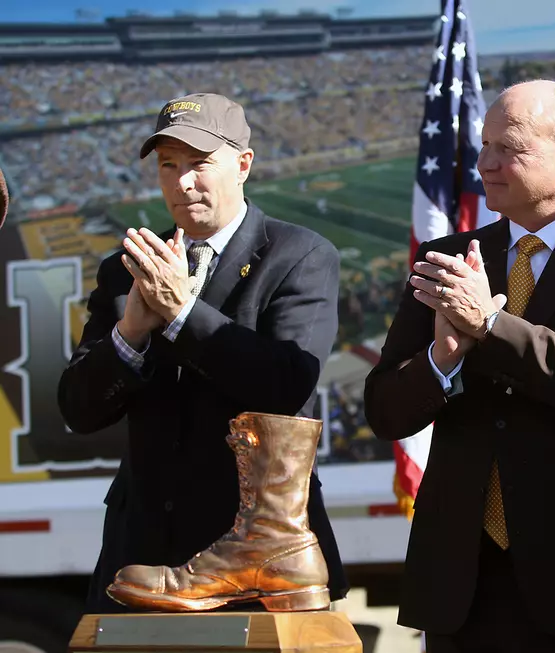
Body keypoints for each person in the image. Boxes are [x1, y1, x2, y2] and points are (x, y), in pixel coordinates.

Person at [364, 79, 555, 653]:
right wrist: (440, 361)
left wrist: (490, 325)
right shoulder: (448, 260)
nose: (484, 163)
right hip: (463, 584)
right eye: (483, 146)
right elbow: (384, 409)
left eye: (506, 148)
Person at [58, 93, 348, 612]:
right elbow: (79, 409)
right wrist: (129, 334)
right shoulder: (125, 269)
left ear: (243, 164)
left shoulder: (298, 255)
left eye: (199, 164)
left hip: (257, 562)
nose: (182, 182)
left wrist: (181, 315)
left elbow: (286, 386)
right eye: (168, 166)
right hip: (139, 554)